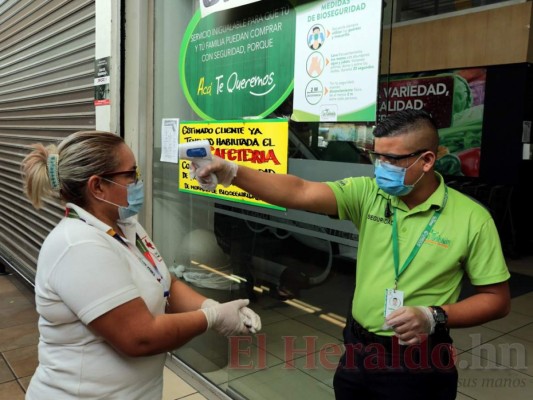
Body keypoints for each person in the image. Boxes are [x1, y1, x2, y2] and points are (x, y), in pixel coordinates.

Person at [191, 109, 511, 400]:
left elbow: (497, 299)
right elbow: (299, 191)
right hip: (358, 347)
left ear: (426, 160)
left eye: (391, 160)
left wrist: (434, 316)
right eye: (377, 157)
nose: (380, 168)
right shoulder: (370, 193)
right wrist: (232, 172)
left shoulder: (471, 218)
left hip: (419, 357)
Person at [21, 130, 261, 399]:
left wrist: (209, 305)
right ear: (97, 186)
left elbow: (165, 282)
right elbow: (140, 337)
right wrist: (212, 319)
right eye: (131, 173)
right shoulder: (78, 245)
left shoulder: (125, 227)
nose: (139, 181)